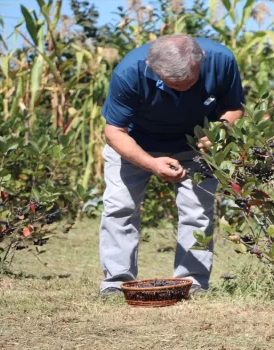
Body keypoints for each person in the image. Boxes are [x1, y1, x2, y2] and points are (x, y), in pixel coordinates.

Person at [98, 34, 245, 297]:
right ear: (152, 68)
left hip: (198, 143)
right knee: (120, 207)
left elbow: (234, 108)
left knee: (197, 211)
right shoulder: (129, 72)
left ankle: (192, 282)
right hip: (135, 142)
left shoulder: (222, 60)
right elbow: (114, 132)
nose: (184, 90)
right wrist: (151, 163)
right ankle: (116, 282)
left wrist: (218, 133)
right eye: (173, 85)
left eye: (189, 82)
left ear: (201, 62)